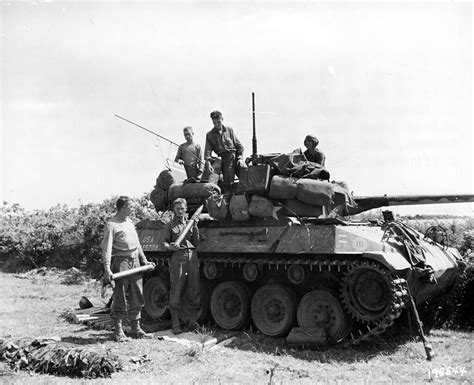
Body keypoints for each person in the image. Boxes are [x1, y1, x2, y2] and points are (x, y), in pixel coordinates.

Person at [102, 196, 155, 342]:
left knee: (137, 294)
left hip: (135, 262)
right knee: (120, 296)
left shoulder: (130, 222)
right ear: (123, 207)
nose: (132, 209)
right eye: (130, 207)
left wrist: (144, 261)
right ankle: (118, 331)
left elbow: (137, 244)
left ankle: (135, 328)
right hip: (121, 262)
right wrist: (107, 269)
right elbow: (106, 248)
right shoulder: (111, 224)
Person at [162, 198, 201, 335]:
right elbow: (164, 243)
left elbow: (196, 242)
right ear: (174, 209)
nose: (180, 211)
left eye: (182, 208)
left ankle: (192, 321)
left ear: (186, 209)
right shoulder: (170, 225)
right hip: (178, 257)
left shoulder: (190, 224)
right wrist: (170, 247)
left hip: (192, 256)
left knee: (194, 289)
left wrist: (195, 227)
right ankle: (175, 323)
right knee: (176, 289)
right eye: (178, 208)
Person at [204, 110, 245, 186]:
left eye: (218, 122)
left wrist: (240, 158)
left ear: (222, 119)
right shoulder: (210, 135)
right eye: (214, 123)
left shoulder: (229, 130)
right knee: (228, 182)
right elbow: (207, 153)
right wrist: (208, 162)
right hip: (224, 161)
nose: (216, 124)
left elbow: (240, 147)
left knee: (246, 173)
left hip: (235, 157)